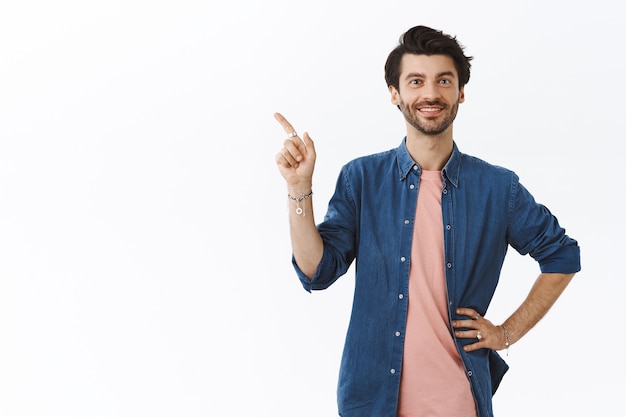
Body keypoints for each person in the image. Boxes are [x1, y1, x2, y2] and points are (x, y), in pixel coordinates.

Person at [273, 25, 580, 417]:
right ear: (395, 94)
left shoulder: (497, 188)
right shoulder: (361, 179)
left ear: (460, 93)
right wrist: (299, 188)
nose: (430, 93)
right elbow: (317, 272)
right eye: (416, 81)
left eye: (444, 80)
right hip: (370, 400)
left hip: (458, 402)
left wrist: (506, 333)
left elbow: (562, 256)